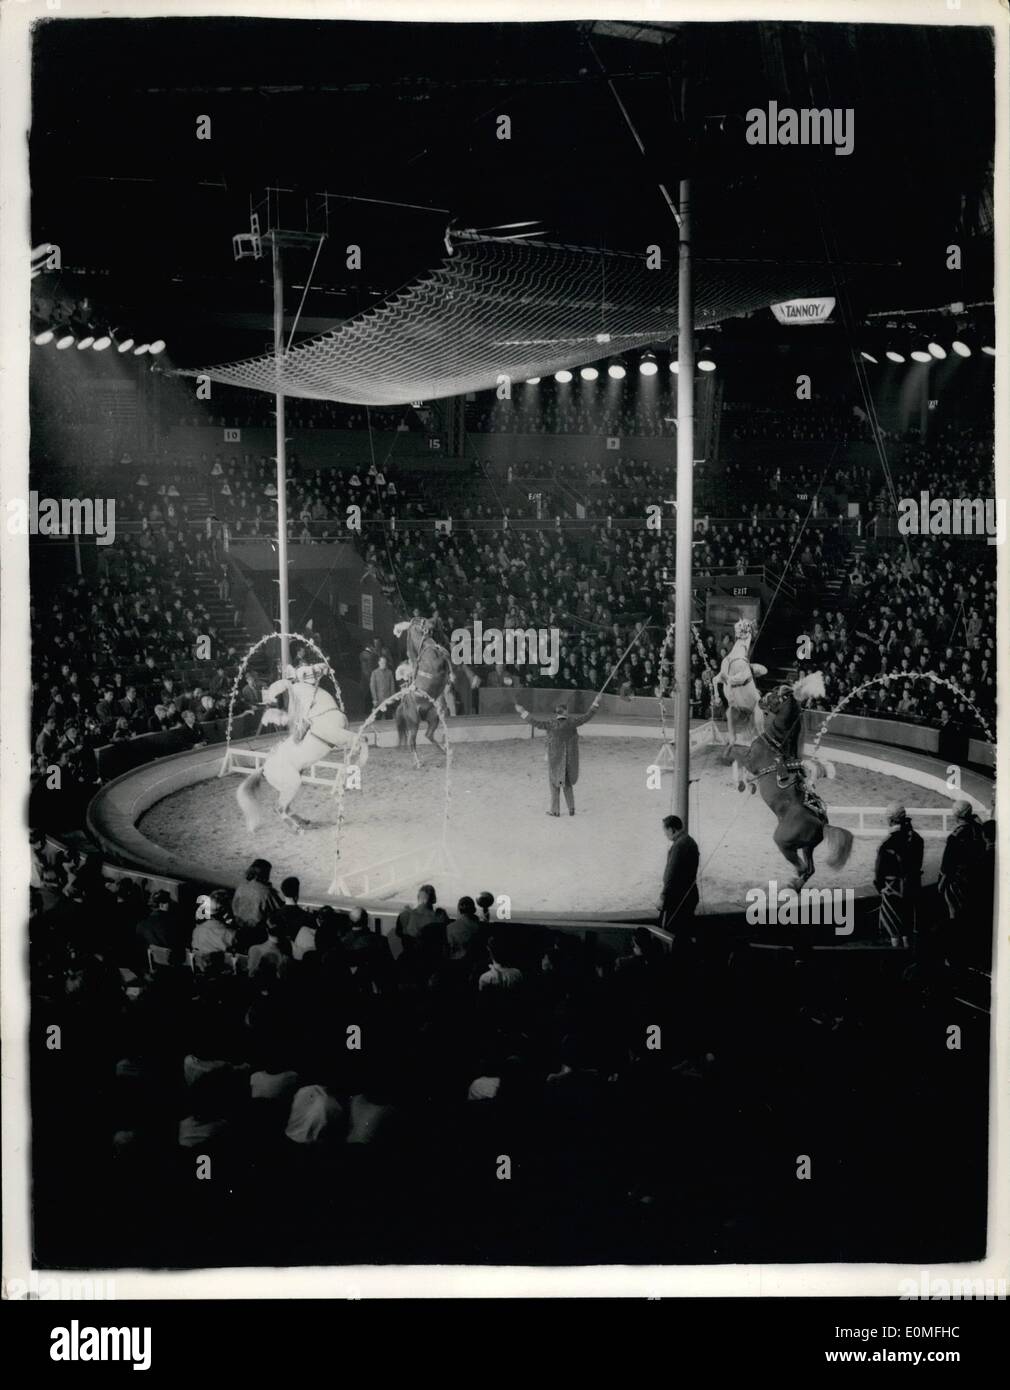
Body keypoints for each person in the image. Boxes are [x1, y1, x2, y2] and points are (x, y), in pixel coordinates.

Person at [514, 695, 601, 816]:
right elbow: (587, 716)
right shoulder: (572, 722)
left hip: (555, 758)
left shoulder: (551, 724)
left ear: (557, 713)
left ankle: (555, 811)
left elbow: (535, 722)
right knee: (567, 783)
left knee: (554, 783)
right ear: (566, 712)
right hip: (569, 758)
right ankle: (571, 809)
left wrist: (522, 711)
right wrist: (595, 702)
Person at [873, 804, 924, 950]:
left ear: (890, 820)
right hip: (912, 886)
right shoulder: (916, 838)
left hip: (893, 889)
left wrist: (880, 888)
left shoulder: (887, 843)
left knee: (894, 928)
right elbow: (917, 864)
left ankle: (898, 954)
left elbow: (879, 873)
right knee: (908, 924)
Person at [657, 814, 700, 941]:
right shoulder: (690, 841)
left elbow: (671, 874)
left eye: (665, 831)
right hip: (689, 895)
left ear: (671, 829)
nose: (665, 835)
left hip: (676, 898)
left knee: (670, 933)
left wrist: (663, 896)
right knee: (684, 933)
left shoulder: (679, 846)